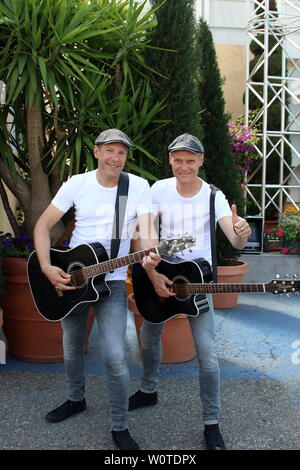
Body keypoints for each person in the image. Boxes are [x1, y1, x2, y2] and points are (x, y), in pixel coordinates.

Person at [33, 129, 160, 450]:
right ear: (96, 151)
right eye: (110, 151)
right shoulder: (77, 183)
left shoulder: (138, 187)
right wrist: (48, 267)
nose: (115, 158)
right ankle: (75, 399)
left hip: (113, 281)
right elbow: (43, 226)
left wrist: (151, 252)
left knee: (116, 356)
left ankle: (119, 425)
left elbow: (146, 234)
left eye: (122, 153)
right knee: (72, 345)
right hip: (72, 276)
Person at [129, 133, 251, 450]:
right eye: (178, 160)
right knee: (150, 335)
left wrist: (240, 234)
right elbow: (146, 235)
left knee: (208, 356)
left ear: (201, 161)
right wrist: (153, 274)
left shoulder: (214, 196)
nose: (184, 166)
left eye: (190, 160)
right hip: (161, 275)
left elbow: (233, 237)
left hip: (198, 282)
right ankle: (148, 389)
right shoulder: (157, 190)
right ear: (171, 160)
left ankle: (212, 424)